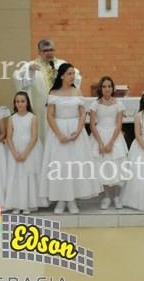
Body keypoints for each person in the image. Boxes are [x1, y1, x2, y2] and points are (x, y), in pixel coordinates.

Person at [39, 63, 101, 214]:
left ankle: (72, 199)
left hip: (75, 131)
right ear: (62, 76)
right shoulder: (54, 92)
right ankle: (61, 199)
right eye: (69, 73)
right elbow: (50, 115)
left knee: (75, 165)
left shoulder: (77, 91)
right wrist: (59, 134)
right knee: (60, 166)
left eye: (73, 73)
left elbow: (82, 113)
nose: (72, 76)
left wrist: (78, 130)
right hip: (58, 131)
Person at [13, 39, 82, 142]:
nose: (49, 53)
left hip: (60, 108)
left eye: (51, 50)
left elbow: (76, 78)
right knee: (41, 132)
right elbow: (17, 77)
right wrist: (29, 71)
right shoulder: (31, 65)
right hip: (40, 106)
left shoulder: (62, 65)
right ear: (39, 52)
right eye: (45, 50)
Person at [89, 76, 128, 210]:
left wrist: (111, 142)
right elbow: (92, 125)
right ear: (101, 88)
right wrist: (100, 142)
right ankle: (106, 196)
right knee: (102, 166)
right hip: (99, 135)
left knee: (115, 165)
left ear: (113, 88)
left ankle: (116, 196)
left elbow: (119, 125)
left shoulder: (119, 104)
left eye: (109, 86)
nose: (107, 89)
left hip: (114, 136)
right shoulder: (95, 104)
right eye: (104, 86)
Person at [4, 91, 44, 214]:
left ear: (27, 103)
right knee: (16, 175)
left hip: (30, 149)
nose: (20, 104)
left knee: (28, 174)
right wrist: (15, 153)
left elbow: (34, 137)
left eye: (22, 101)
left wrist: (25, 153)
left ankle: (28, 203)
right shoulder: (11, 118)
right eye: (17, 101)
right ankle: (17, 203)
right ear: (14, 103)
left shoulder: (33, 117)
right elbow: (8, 137)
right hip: (15, 149)